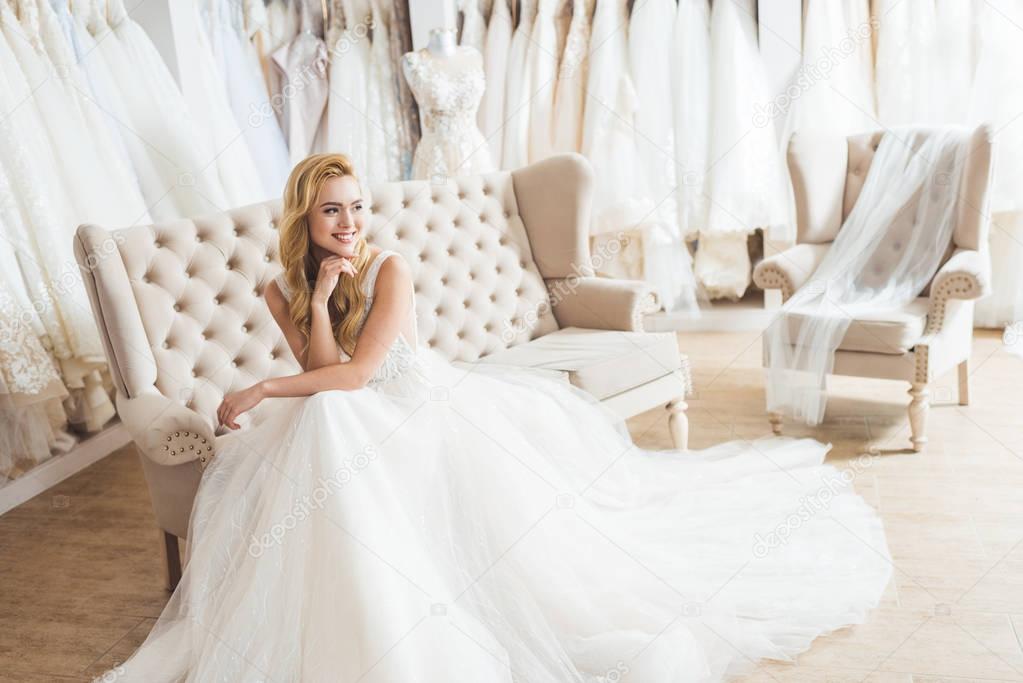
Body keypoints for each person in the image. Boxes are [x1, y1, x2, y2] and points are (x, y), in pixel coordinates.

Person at [106, 154, 893, 682]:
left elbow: (354, 375)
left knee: (324, 422)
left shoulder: (390, 267)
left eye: (356, 208)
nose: (349, 224)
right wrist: (313, 301)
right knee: (324, 427)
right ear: (304, 221)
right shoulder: (286, 289)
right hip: (347, 412)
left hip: (415, 408)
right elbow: (322, 374)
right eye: (331, 213)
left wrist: (257, 391)